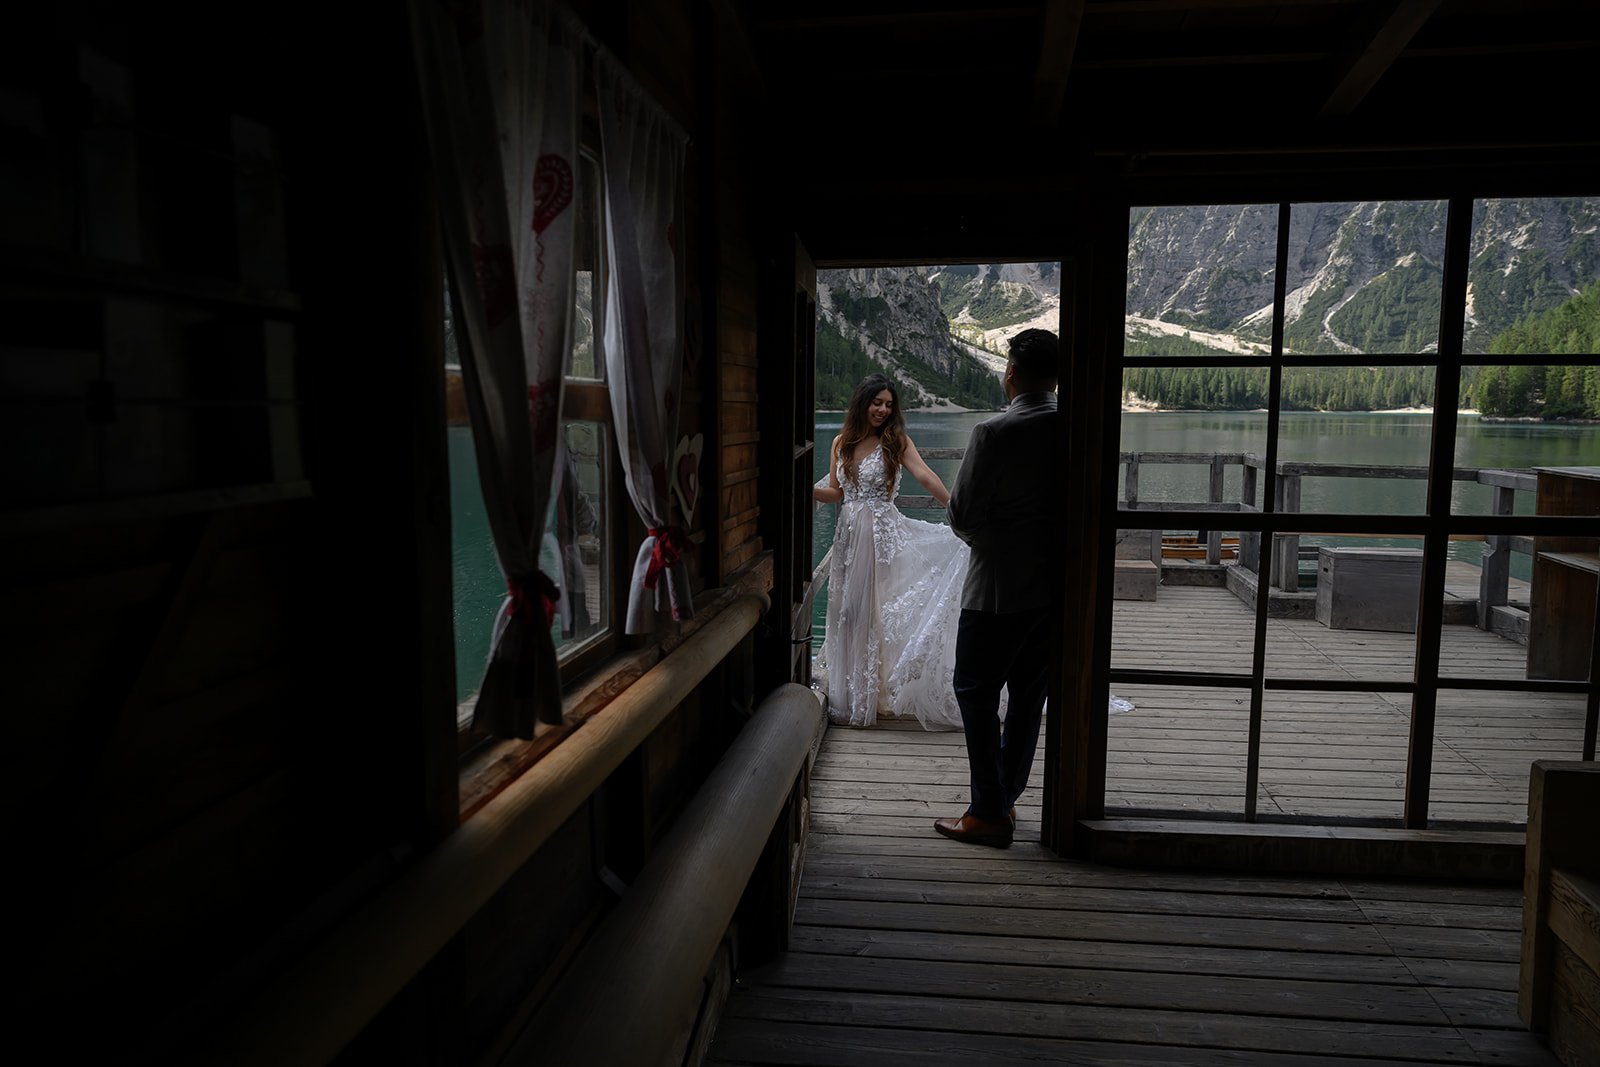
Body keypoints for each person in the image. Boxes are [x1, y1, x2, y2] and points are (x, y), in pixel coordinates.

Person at [934, 328, 1062, 849]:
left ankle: (988, 811)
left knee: (975, 690)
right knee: (1029, 696)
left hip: (996, 591)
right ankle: (1006, 798)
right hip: (1055, 590)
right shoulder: (1076, 427)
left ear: (1011, 374)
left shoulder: (994, 432)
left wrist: (997, 540)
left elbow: (961, 516)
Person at [811, 373, 969, 729]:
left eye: (888, 404)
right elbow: (837, 493)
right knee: (847, 612)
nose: (882, 410)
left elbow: (926, 476)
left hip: (882, 535)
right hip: (849, 535)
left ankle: (870, 699)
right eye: (876, 402)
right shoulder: (841, 442)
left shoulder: (895, 440)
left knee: (874, 613)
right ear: (862, 402)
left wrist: (958, 511)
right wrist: (804, 488)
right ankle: (852, 696)